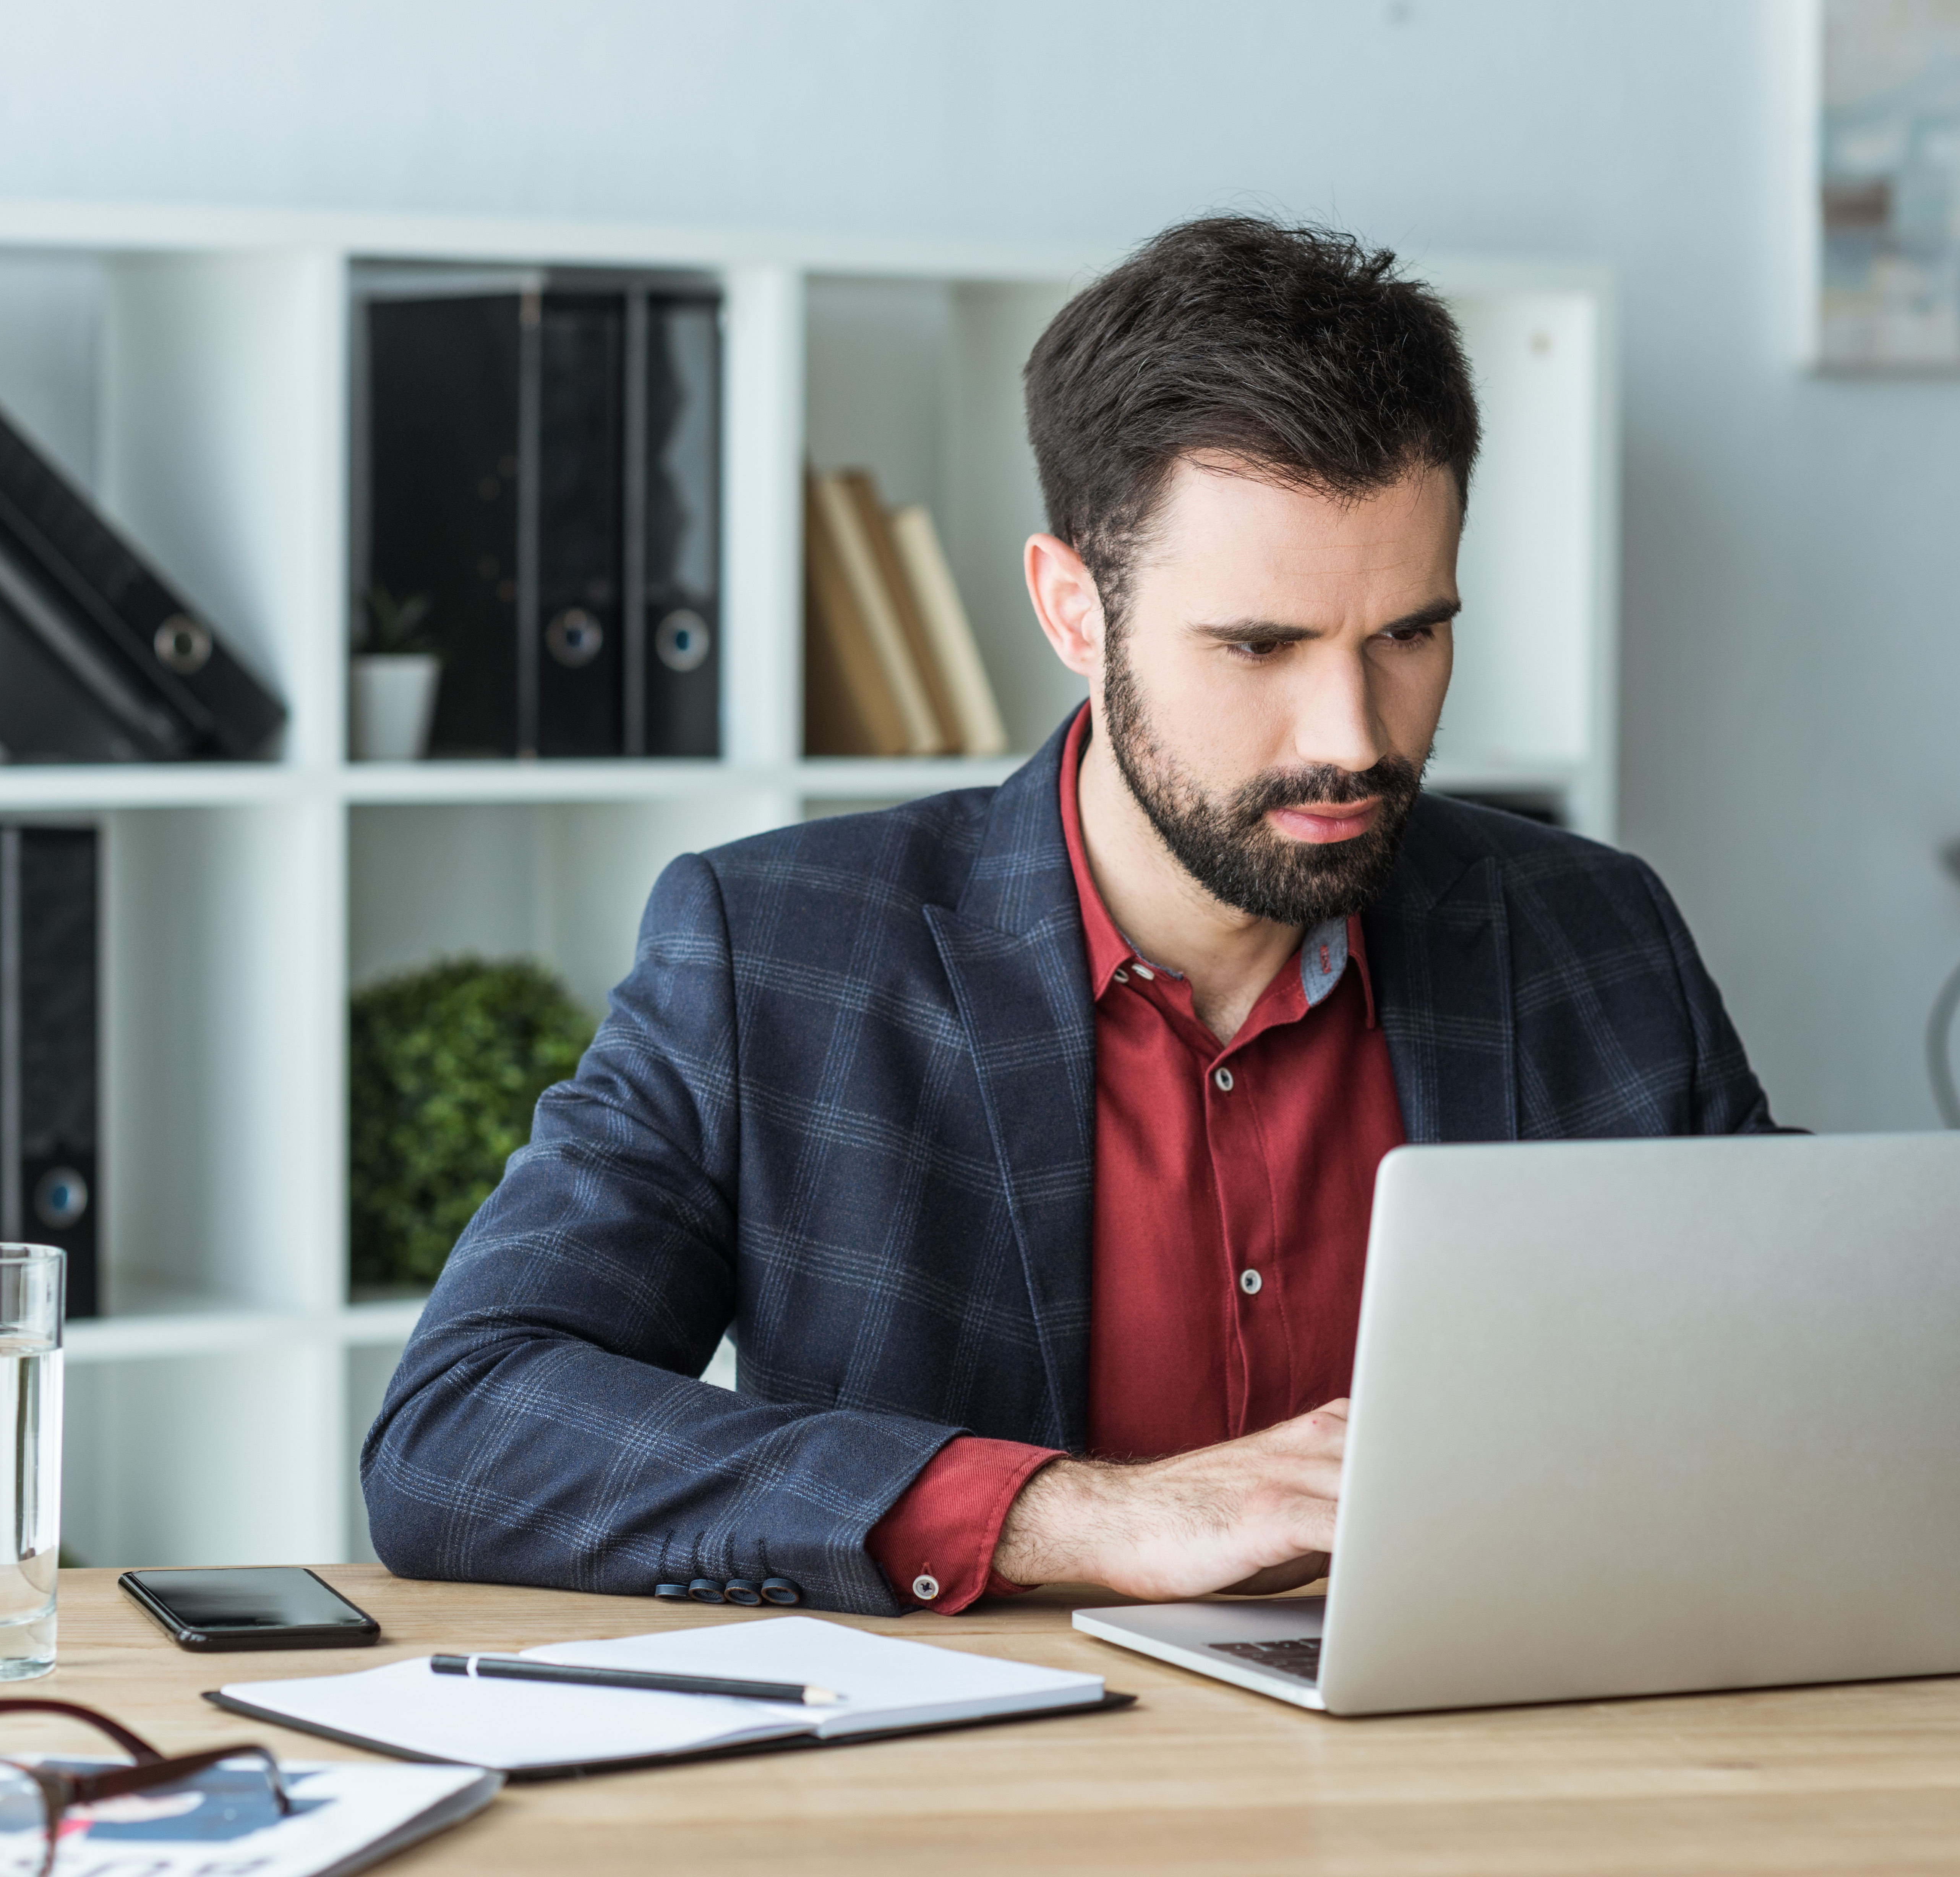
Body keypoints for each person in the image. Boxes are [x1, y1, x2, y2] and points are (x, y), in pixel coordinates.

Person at [362, 216, 1777, 1617]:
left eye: (1408, 634)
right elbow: (461, 1431)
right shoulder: (775, 953)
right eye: (1260, 645)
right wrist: (1076, 1511)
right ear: (1073, 611)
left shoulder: (1595, 934)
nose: (1352, 735)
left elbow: (1809, 1369)